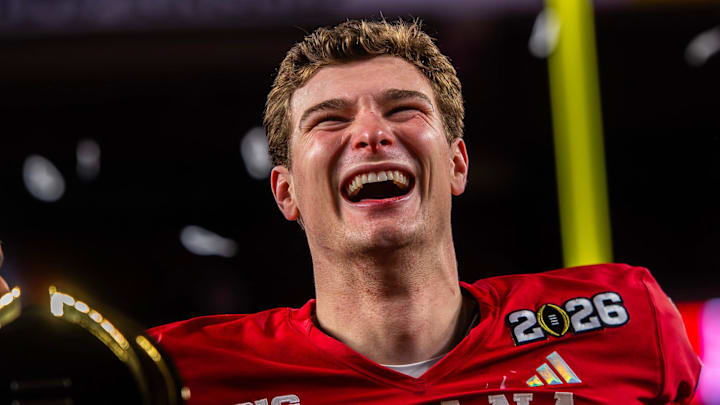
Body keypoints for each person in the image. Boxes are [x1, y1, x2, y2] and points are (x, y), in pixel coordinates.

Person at [0, 19, 701, 405]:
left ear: (456, 163)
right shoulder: (171, 376)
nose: (371, 133)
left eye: (403, 109)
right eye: (329, 121)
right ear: (287, 192)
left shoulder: (627, 317)